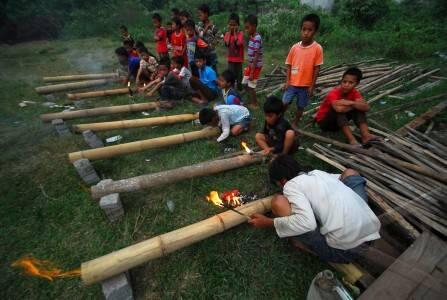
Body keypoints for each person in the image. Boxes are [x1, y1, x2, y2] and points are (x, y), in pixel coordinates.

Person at [249, 155, 381, 264]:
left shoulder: (290, 185)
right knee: (350, 173)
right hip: (371, 232)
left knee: (279, 202)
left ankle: (305, 245)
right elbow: (342, 178)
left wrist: (269, 222)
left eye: (278, 184)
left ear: (283, 181)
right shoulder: (317, 173)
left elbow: (308, 224)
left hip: (345, 252)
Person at [315, 67, 380, 145]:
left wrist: (350, 103)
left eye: (350, 83)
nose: (346, 85)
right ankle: (352, 140)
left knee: (359, 109)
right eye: (344, 82)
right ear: (341, 81)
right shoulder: (334, 93)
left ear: (356, 84)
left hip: (338, 125)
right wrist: (354, 105)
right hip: (325, 123)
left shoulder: (354, 92)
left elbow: (366, 107)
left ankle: (366, 135)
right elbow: (338, 109)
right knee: (339, 111)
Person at [283, 13, 323, 130]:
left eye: (310, 30)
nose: (306, 33)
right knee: (285, 102)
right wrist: (287, 81)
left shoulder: (317, 48)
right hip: (292, 83)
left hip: (305, 86)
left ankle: (295, 122)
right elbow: (289, 65)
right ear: (301, 29)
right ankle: (280, 118)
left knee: (301, 106)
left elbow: (317, 68)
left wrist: (312, 86)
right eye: (304, 29)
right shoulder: (295, 47)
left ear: (315, 31)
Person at [243, 15, 263, 108]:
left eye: (248, 27)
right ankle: (251, 98)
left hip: (255, 67)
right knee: (244, 83)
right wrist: (248, 66)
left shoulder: (257, 38)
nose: (246, 30)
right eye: (245, 28)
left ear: (254, 26)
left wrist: (251, 71)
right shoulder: (251, 36)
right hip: (251, 66)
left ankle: (255, 103)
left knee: (251, 86)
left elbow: (256, 56)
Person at [197, 4, 222, 72]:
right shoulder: (199, 26)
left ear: (206, 14)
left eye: (200, 14)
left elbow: (220, 37)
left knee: (213, 71)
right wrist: (207, 28)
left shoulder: (213, 26)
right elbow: (199, 36)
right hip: (202, 53)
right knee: (204, 71)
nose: (199, 16)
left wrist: (211, 45)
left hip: (211, 54)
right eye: (198, 15)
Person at [224, 13, 244, 91]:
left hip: (238, 60)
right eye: (230, 25)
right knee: (231, 76)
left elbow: (237, 44)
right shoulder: (227, 34)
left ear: (238, 25)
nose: (232, 27)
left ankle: (240, 89)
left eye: (234, 25)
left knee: (239, 76)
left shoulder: (240, 34)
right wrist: (229, 33)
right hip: (231, 59)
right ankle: (231, 90)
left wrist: (235, 33)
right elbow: (227, 44)